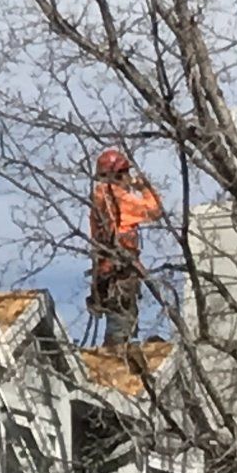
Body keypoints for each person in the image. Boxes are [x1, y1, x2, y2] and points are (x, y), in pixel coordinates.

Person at [88, 148, 163, 348]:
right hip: (119, 270)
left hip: (106, 271)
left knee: (121, 320)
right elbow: (154, 211)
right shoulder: (117, 197)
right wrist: (144, 187)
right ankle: (114, 363)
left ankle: (116, 356)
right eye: (126, 173)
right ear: (118, 174)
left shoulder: (99, 199)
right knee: (122, 324)